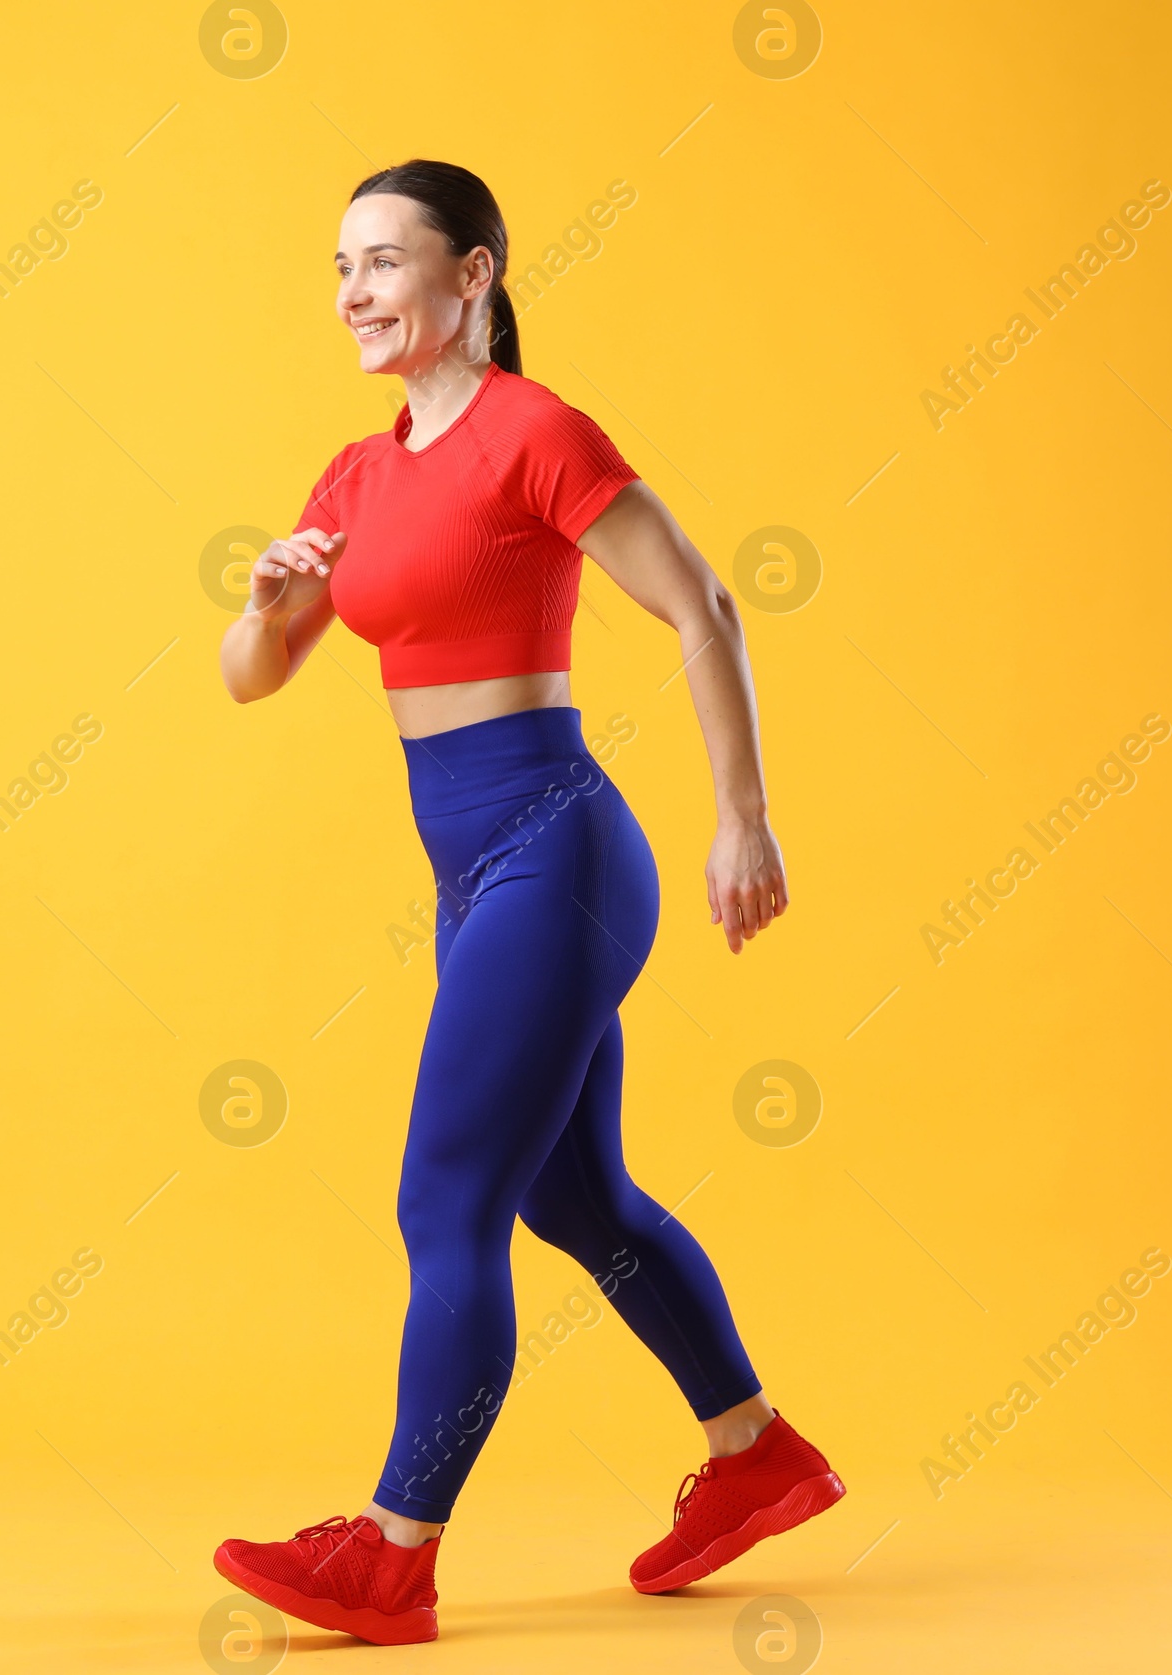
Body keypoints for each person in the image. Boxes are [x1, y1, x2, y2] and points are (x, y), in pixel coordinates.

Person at [213, 159, 843, 1647]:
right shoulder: (356, 478)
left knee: (447, 1201)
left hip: (556, 850)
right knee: (572, 1194)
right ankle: (758, 1454)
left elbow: (703, 604)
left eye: (385, 259)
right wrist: (265, 600)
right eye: (341, 265)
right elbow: (255, 678)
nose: (355, 289)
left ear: (476, 275)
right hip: (471, 870)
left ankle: (392, 1550)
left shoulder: (535, 433)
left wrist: (740, 822)